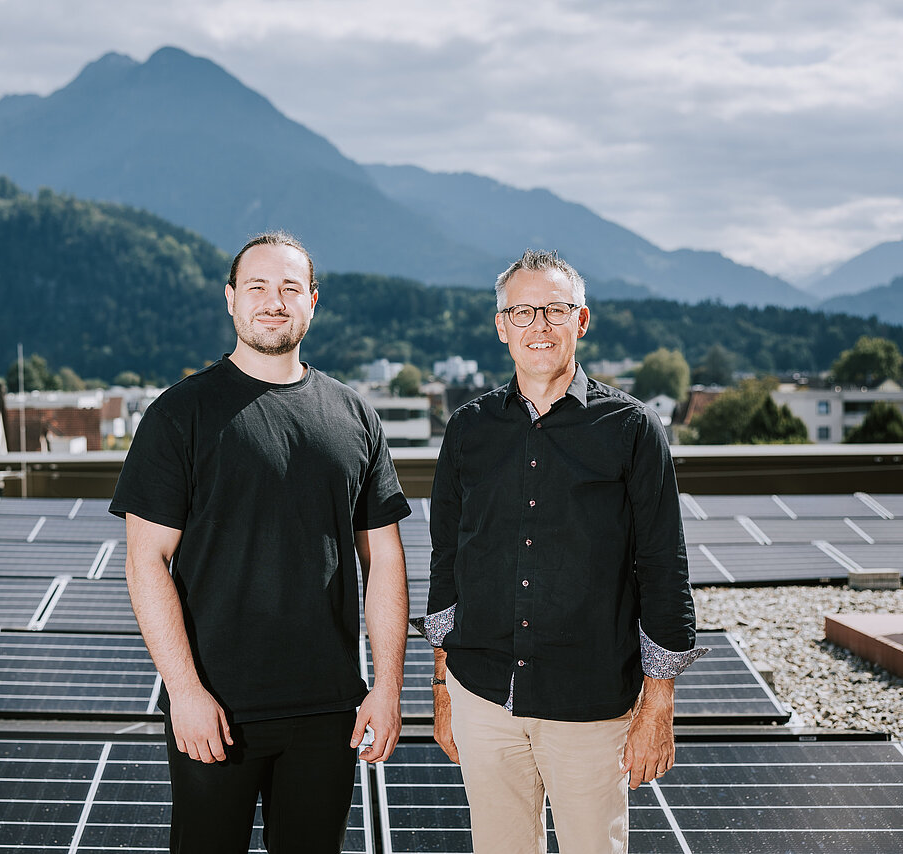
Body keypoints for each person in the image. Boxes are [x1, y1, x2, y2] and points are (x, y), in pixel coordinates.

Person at [110, 231, 411, 853]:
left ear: (312, 301)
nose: (273, 302)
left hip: (328, 712)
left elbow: (384, 559)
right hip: (216, 709)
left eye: (289, 288)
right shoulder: (179, 414)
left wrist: (385, 690)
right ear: (230, 300)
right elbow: (147, 562)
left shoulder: (354, 415)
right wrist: (185, 693)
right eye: (257, 288)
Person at [420, 249, 705, 854]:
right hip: (484, 694)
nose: (539, 325)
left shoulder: (631, 429)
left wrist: (658, 703)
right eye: (523, 312)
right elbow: (445, 562)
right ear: (502, 328)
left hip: (591, 699)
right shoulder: (468, 429)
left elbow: (663, 566)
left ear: (581, 321)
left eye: (555, 309)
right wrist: (443, 689)